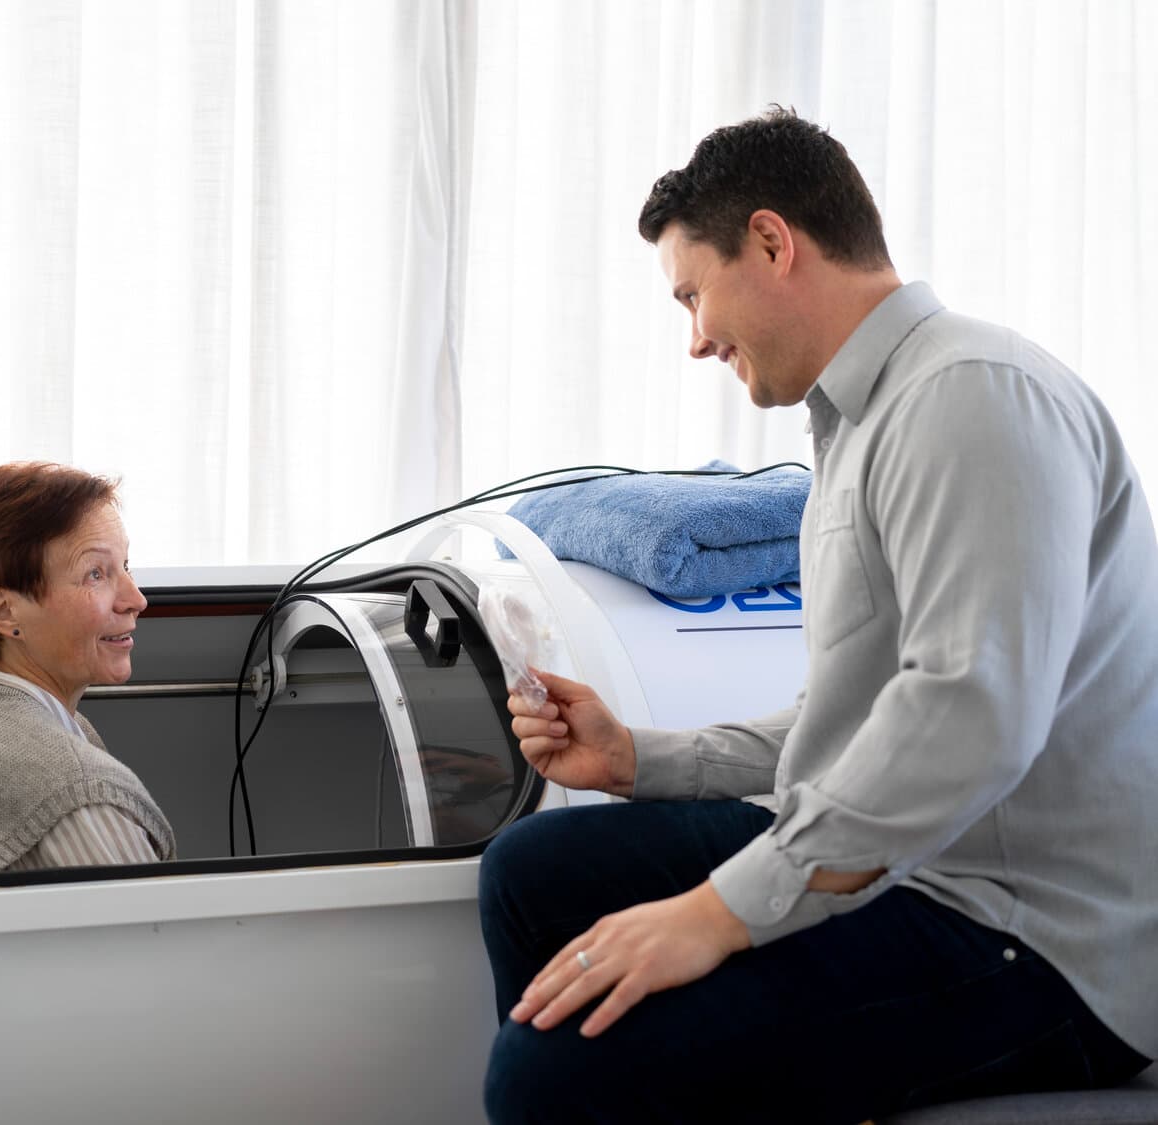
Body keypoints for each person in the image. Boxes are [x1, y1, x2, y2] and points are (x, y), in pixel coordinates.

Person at [479, 107, 1158, 1123]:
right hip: (921, 869)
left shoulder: (974, 397)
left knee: (547, 1074)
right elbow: (868, 714)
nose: (698, 339)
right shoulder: (859, 423)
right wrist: (641, 759)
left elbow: (968, 718)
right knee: (534, 873)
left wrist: (715, 917)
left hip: (1035, 936)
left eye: (694, 295)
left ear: (771, 241)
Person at [0, 461, 176, 872]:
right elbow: (159, 936)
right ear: (6, 612)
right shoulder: (80, 799)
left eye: (126, 567)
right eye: (95, 574)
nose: (136, 599)